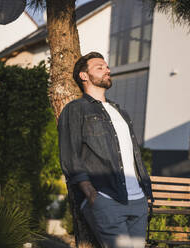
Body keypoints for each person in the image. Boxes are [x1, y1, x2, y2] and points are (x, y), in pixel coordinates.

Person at [58, 52, 153, 248]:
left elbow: (133, 155)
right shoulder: (75, 109)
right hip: (107, 198)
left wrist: (146, 195)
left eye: (107, 67)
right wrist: (92, 194)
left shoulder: (120, 110)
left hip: (138, 200)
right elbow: (70, 155)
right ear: (84, 76)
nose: (107, 70)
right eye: (100, 67)